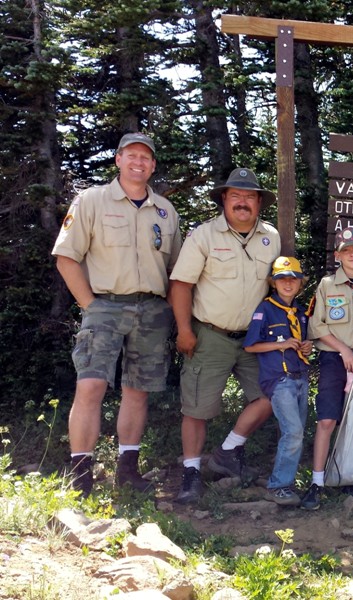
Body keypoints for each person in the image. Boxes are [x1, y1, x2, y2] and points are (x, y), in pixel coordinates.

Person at [52, 132, 182, 496]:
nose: (139, 162)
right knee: (90, 386)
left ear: (153, 166)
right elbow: (66, 257)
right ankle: (80, 474)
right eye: (132, 156)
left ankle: (128, 470)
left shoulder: (165, 212)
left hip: (153, 309)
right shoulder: (92, 200)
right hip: (104, 305)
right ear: (118, 160)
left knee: (137, 391)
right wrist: (90, 305)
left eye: (146, 157)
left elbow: (176, 272)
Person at [169, 168, 280, 504]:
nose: (242, 202)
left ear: (259, 202)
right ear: (224, 200)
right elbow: (181, 284)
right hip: (210, 335)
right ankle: (190, 474)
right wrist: (185, 330)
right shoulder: (203, 235)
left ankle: (227, 452)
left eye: (249, 196)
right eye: (235, 196)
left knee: (272, 395)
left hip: (254, 339)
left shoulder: (272, 237)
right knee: (197, 408)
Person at [302, 226, 353, 510]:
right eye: (346, 250)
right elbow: (316, 325)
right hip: (334, 359)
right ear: (338, 255)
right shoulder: (326, 285)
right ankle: (317, 481)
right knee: (328, 419)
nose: (352, 254)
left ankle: (352, 474)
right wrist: (344, 350)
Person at [243, 257, 313, 506]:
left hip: (301, 378)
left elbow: (303, 346)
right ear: (274, 283)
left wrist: (306, 346)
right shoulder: (265, 309)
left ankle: (286, 481)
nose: (288, 283)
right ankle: (278, 486)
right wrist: (281, 344)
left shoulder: (301, 312)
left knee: (296, 433)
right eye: (282, 278)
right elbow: (250, 346)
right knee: (293, 431)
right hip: (279, 379)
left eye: (293, 279)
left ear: (300, 284)